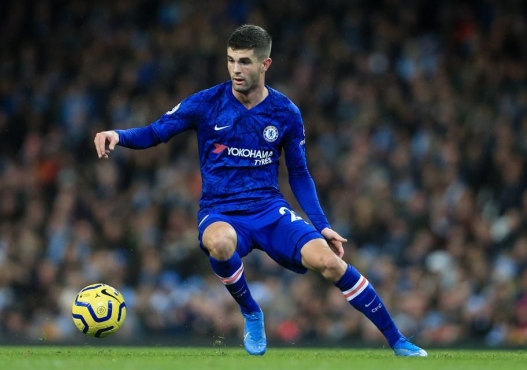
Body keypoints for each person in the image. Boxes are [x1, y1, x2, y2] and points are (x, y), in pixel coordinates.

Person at [94, 24, 427, 357]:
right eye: (231, 61)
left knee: (330, 263)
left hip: (268, 209)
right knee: (221, 243)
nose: (236, 70)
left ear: (265, 64)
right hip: (220, 210)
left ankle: (398, 340)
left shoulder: (285, 113)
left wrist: (321, 224)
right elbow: (156, 132)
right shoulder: (207, 102)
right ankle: (251, 311)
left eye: (245, 62)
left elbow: (299, 173)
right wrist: (118, 135)